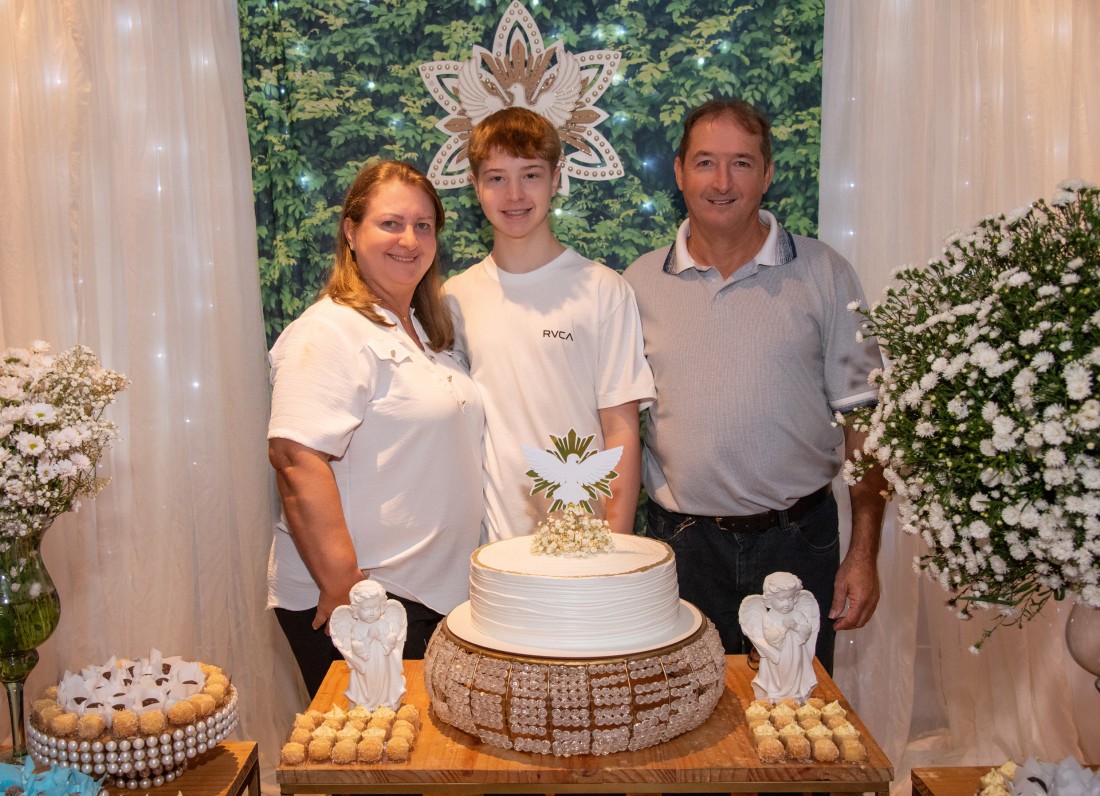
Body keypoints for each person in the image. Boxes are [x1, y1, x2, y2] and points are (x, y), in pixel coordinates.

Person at [623, 98, 887, 674]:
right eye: (705, 162)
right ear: (679, 172)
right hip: (682, 550)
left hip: (800, 545)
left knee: (797, 722)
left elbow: (867, 426)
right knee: (686, 728)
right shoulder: (636, 284)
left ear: (767, 173)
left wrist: (864, 552)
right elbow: (616, 428)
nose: (722, 182)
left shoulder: (825, 272)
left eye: (741, 163)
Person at [267, 160, 485, 697]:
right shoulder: (330, 331)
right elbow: (296, 460)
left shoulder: (429, 334)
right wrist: (345, 590)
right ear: (351, 231)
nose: (409, 239)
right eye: (391, 223)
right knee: (373, 766)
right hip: (367, 604)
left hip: (427, 599)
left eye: (424, 225)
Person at [444, 107, 654, 541]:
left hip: (586, 541)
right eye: (497, 177)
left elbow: (621, 429)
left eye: (531, 175)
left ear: (556, 178)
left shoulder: (603, 290)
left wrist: (617, 543)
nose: (514, 194)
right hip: (490, 548)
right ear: (475, 186)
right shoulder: (453, 298)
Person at [739, 572, 819, 702]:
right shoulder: (769, 617)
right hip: (777, 653)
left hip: (795, 652)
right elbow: (770, 637)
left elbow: (807, 631)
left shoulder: (797, 615)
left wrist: (796, 627)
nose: (787, 604)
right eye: (781, 599)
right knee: (779, 673)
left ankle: (794, 694)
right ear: (770, 600)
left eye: (791, 598)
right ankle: (776, 693)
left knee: (794, 671)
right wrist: (783, 628)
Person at [330, 580, 407, 710]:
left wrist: (383, 638)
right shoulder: (357, 627)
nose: (372, 613)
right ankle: (368, 703)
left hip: (383, 661)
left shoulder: (383, 623)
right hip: (366, 664)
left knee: (383, 680)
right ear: (356, 609)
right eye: (366, 609)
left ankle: (385, 701)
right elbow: (355, 646)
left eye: (376, 608)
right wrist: (369, 638)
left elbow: (392, 639)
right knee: (369, 683)